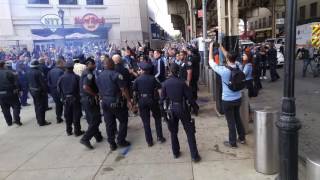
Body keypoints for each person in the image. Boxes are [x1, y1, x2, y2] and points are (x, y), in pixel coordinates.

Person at [160, 63, 201, 162]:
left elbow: (162, 99)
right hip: (182, 109)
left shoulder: (165, 83)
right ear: (178, 71)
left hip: (172, 109)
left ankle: (176, 152)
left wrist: (164, 113)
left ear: (170, 71)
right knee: (190, 132)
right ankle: (194, 156)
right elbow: (190, 98)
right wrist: (195, 107)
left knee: (173, 132)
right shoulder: (182, 83)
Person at [208, 42, 245, 148]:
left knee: (230, 122)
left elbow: (211, 62)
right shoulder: (239, 66)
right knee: (237, 118)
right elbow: (229, 56)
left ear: (227, 59)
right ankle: (242, 138)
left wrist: (211, 47)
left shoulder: (223, 71)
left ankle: (232, 142)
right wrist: (220, 46)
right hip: (238, 98)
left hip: (227, 101)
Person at [97, 56, 132, 151]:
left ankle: (111, 143)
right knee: (123, 121)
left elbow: (99, 90)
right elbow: (124, 89)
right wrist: (129, 101)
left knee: (109, 123)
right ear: (111, 64)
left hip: (105, 102)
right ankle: (121, 140)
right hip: (116, 102)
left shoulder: (99, 76)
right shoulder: (116, 75)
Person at [132, 62, 166, 147]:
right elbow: (159, 88)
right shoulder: (153, 78)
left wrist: (134, 104)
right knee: (157, 118)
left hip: (142, 101)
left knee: (146, 122)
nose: (139, 70)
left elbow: (134, 91)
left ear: (143, 70)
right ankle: (160, 137)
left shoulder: (137, 80)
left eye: (140, 69)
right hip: (152, 100)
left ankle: (149, 141)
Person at [79, 57, 103, 149]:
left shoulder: (85, 72)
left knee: (92, 119)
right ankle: (85, 138)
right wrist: (95, 95)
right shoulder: (88, 74)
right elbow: (86, 87)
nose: (95, 66)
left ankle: (98, 136)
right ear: (90, 64)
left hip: (86, 99)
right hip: (90, 99)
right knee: (96, 120)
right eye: (94, 64)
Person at [57, 61, 85, 136]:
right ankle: (77, 131)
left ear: (65, 68)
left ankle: (69, 131)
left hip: (66, 99)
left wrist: (62, 97)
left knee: (67, 115)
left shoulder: (61, 78)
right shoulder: (77, 77)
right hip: (75, 99)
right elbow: (81, 89)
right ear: (73, 68)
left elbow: (59, 89)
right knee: (76, 115)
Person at [26, 60, 51, 126]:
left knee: (36, 106)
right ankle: (42, 121)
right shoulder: (38, 72)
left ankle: (39, 120)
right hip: (39, 91)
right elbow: (42, 83)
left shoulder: (28, 72)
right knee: (41, 107)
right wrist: (45, 91)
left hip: (32, 91)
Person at [0, 60, 22, 126]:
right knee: (16, 106)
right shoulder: (9, 72)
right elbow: (16, 82)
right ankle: (17, 120)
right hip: (11, 92)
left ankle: (9, 122)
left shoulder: (9, 72)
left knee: (5, 109)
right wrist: (18, 90)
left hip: (1, 95)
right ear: (4, 65)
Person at [47, 56, 65, 123]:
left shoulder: (50, 71)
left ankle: (58, 117)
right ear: (60, 63)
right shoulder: (61, 71)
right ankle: (65, 117)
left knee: (58, 104)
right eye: (63, 63)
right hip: (60, 91)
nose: (64, 64)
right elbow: (62, 82)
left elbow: (48, 82)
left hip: (53, 91)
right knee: (64, 104)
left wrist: (51, 90)